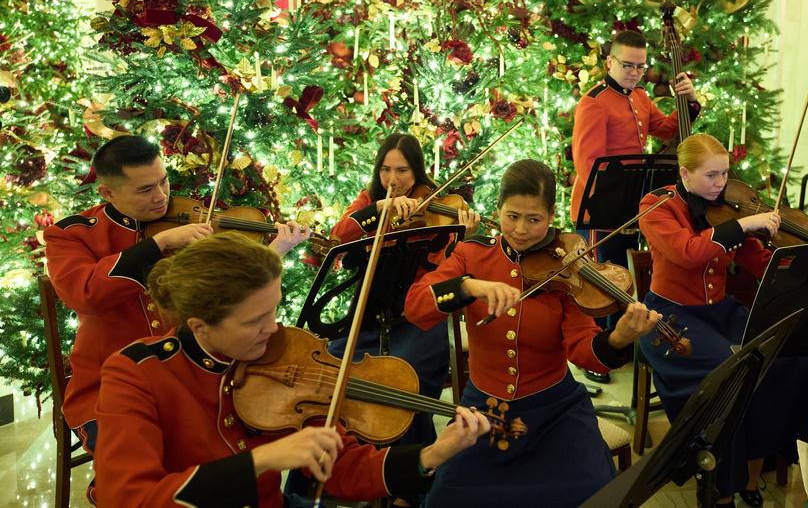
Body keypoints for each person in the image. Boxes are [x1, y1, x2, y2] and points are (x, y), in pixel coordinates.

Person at [94, 231, 490, 507]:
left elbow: (342, 466)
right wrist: (262, 461)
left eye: (275, 309)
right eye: (254, 321)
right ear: (199, 326)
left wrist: (433, 454)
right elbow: (129, 499)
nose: (275, 328)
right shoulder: (136, 372)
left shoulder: (284, 354)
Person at [405, 158, 661, 508]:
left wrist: (618, 338)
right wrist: (469, 286)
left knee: (594, 491)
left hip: (555, 412)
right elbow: (415, 305)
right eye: (512, 216)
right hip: (484, 411)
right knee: (447, 497)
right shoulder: (470, 255)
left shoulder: (570, 262)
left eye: (534, 219)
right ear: (498, 209)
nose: (521, 230)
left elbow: (582, 346)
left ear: (552, 215)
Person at [42, 134, 310, 463]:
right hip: (107, 387)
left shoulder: (188, 216)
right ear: (107, 193)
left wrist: (274, 252)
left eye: (163, 182)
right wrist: (160, 242)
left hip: (195, 375)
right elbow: (83, 294)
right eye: (145, 189)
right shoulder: (71, 234)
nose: (161, 197)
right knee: (142, 464)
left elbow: (228, 296)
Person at [638, 134, 808, 507]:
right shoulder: (656, 206)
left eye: (724, 174)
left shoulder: (728, 209)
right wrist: (744, 226)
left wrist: (796, 260)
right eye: (711, 176)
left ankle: (755, 477)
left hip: (723, 312)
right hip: (673, 319)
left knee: (793, 361)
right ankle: (721, 490)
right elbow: (688, 253)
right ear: (685, 173)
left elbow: (757, 261)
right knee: (731, 373)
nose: (720, 184)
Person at [324, 133, 481, 507]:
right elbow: (337, 236)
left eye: (402, 171)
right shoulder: (370, 199)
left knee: (404, 377)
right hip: (370, 313)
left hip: (417, 318)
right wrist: (378, 209)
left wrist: (464, 237)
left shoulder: (437, 204)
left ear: (417, 171)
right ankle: (337, 471)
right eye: (385, 170)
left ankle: (409, 486)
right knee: (332, 369)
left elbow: (445, 272)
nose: (393, 179)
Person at [570, 29, 699, 381]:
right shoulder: (593, 101)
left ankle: (620, 342)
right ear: (609, 61)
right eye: (627, 65)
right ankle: (593, 352)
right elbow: (588, 164)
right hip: (600, 206)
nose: (634, 72)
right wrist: (616, 194)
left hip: (631, 204)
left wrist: (687, 100)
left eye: (641, 67)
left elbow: (666, 127)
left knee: (623, 277)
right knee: (599, 280)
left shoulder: (640, 96)